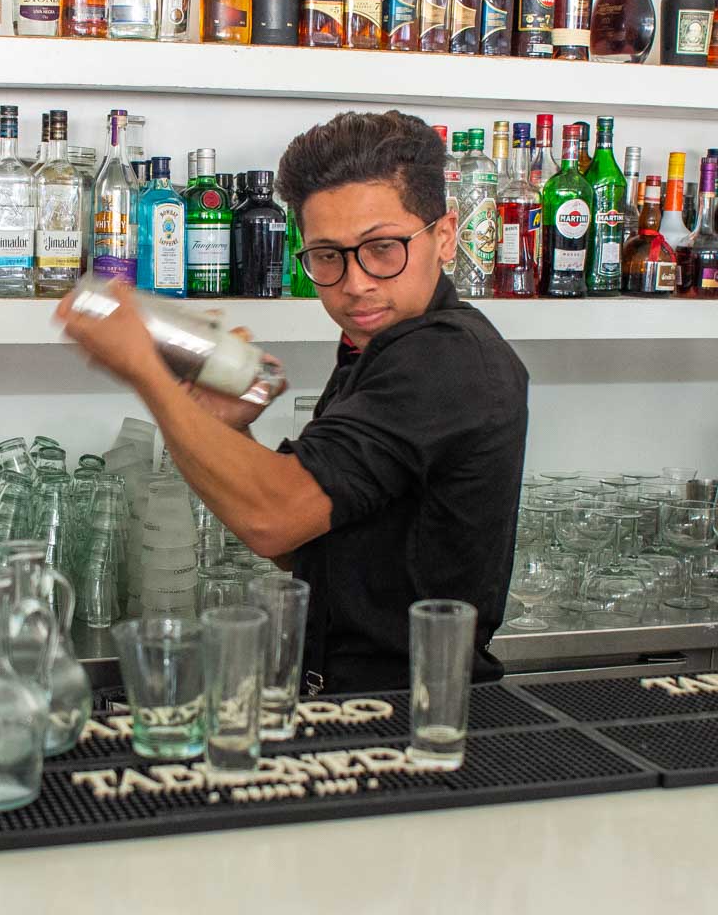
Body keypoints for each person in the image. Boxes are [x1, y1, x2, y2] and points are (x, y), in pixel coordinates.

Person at [57, 111, 528, 693]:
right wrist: (227, 428)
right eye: (328, 256)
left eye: (383, 248)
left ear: (445, 236)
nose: (356, 282)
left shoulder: (445, 356)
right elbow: (304, 544)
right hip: (352, 706)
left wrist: (146, 371)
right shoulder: (374, 351)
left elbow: (272, 521)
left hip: (415, 713)